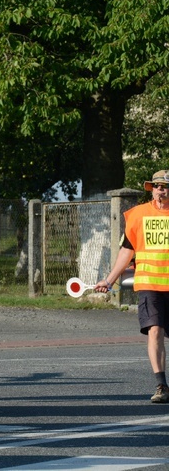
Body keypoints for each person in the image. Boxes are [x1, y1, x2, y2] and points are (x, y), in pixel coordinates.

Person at [95, 170, 169, 403]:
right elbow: (127, 251)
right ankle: (162, 386)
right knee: (154, 331)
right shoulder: (138, 215)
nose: (161, 190)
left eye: (165, 186)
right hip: (149, 284)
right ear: (151, 189)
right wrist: (109, 279)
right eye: (157, 185)